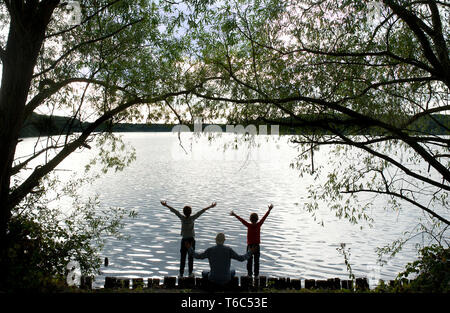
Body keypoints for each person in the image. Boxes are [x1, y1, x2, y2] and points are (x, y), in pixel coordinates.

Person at [160, 200, 216, 277]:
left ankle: (181, 274)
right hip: (191, 240)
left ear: (183, 212)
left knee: (183, 258)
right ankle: (190, 273)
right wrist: (210, 206)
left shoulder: (182, 218)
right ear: (190, 212)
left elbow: (175, 211)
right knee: (191, 257)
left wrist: (166, 205)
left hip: (184, 240)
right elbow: (201, 211)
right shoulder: (192, 218)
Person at [186, 232, 257, 286]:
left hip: (213, 278)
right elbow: (241, 258)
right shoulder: (228, 250)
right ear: (224, 240)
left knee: (204, 272)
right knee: (233, 271)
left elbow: (197, 256)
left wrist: (189, 248)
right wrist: (250, 252)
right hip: (226, 279)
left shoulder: (210, 250)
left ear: (216, 240)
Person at [230, 204, 274, 278]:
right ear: (257, 219)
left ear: (250, 219)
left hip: (250, 246)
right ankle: (256, 275)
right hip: (256, 246)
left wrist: (235, 215)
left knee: (249, 261)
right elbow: (264, 217)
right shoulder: (259, 224)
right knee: (256, 262)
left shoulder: (248, 225)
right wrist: (269, 210)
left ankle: (249, 274)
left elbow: (242, 220)